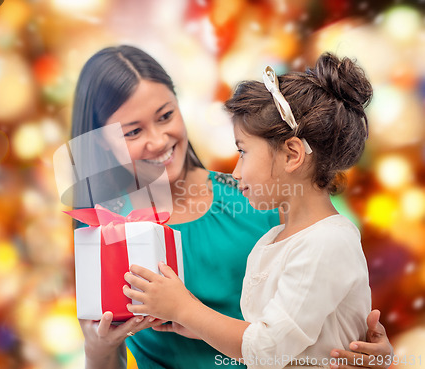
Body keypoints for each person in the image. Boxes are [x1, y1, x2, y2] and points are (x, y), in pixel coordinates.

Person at [72, 46, 393, 369]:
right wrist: (97, 349)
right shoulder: (107, 234)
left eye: (165, 116)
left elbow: (328, 301)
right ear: (102, 141)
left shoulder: (262, 195)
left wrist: (372, 351)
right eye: (133, 131)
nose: (157, 140)